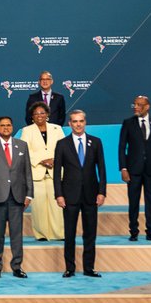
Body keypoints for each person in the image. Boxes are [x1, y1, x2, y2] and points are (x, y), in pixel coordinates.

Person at [53, 109, 106, 278]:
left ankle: (89, 268)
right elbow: (56, 173)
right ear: (70, 124)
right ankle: (70, 268)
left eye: (81, 121)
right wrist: (58, 194)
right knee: (69, 233)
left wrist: (102, 191)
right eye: (74, 121)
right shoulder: (62, 144)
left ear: (85, 123)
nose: (78, 124)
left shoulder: (96, 142)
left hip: (91, 195)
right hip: (69, 196)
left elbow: (102, 170)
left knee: (90, 233)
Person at [0, 116, 34, 279]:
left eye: (8, 125)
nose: (6, 128)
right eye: (2, 125)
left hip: (17, 197)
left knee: (17, 234)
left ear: (12, 127)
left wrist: (29, 193)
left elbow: (27, 172)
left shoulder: (22, 145)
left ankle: (17, 266)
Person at [118, 95, 151, 242]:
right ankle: (133, 232)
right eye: (134, 104)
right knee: (133, 202)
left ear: (147, 107)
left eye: (139, 105)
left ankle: (150, 232)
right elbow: (122, 147)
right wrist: (123, 168)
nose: (136, 107)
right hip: (133, 170)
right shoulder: (128, 123)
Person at [16, 102, 66, 241]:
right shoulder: (27, 131)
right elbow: (24, 150)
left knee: (57, 206)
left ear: (47, 115)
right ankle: (41, 234)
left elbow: (63, 148)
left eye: (42, 113)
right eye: (36, 113)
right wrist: (43, 160)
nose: (39, 116)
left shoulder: (57, 129)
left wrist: (54, 160)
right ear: (32, 116)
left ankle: (59, 234)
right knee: (38, 207)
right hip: (36, 172)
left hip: (55, 172)